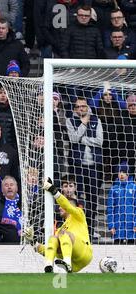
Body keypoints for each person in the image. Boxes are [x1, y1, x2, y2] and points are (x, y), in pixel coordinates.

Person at [27, 177, 93, 273]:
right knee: (54, 238)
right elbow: (48, 251)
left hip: (84, 252)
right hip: (75, 263)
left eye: (61, 206)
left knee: (62, 234)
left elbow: (66, 205)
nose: (59, 208)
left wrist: (53, 190)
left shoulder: (79, 214)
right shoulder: (61, 229)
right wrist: (32, 242)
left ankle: (67, 263)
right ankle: (48, 265)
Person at [66, 96, 103, 239]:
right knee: (78, 198)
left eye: (83, 106)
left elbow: (100, 141)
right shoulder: (70, 121)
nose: (81, 109)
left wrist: (83, 139)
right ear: (75, 109)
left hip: (94, 166)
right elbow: (73, 139)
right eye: (78, 107)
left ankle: (91, 229)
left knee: (93, 199)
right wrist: (83, 124)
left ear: (87, 107)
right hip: (78, 166)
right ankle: (78, 229)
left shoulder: (96, 120)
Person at [106, 162, 136, 244]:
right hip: (117, 226)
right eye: (120, 172)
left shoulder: (134, 188)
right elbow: (110, 208)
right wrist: (111, 226)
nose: (121, 174)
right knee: (117, 248)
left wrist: (135, 223)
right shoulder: (113, 189)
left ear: (128, 174)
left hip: (131, 226)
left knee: (131, 249)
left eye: (124, 172)